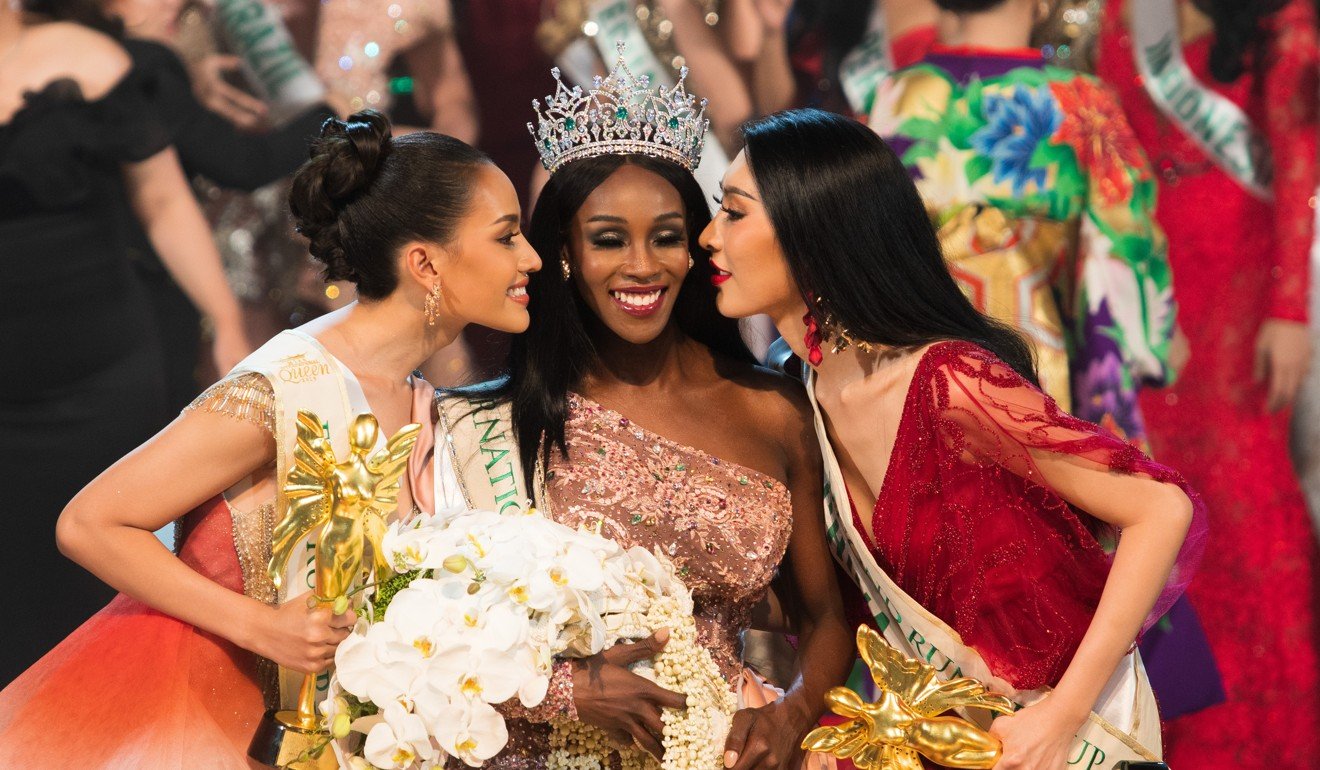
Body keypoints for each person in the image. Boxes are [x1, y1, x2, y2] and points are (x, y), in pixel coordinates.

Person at [0, 110, 542, 767]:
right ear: (425, 263)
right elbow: (89, 522)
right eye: (507, 237)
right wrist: (264, 627)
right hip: (212, 724)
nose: (531, 258)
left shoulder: (416, 392)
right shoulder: (286, 386)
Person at [701, 108, 1205, 766]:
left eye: (734, 213)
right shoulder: (800, 388)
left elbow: (1160, 507)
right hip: (951, 740)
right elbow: (853, 606)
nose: (709, 237)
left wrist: (1061, 713)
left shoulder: (950, 383)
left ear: (813, 230)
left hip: (1066, 736)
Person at [437, 59, 853, 768]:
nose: (642, 265)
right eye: (608, 240)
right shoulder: (488, 426)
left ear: (695, 249)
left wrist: (791, 714)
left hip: (719, 747)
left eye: (665, 237)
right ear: (564, 253)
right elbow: (440, 630)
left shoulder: (772, 409)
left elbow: (825, 619)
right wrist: (563, 693)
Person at [0, 2, 252, 686]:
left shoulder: (90, 58)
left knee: (104, 596)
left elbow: (166, 204)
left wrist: (225, 320)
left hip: (102, 372)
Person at [1095, 1, 1320, 765]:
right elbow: (1110, 145)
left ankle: (1272, 733)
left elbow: (1296, 154)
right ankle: (1178, 730)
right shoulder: (1131, 11)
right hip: (1152, 262)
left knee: (1243, 482)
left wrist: (1289, 306)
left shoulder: (1277, 14)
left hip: (1238, 268)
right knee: (1161, 485)